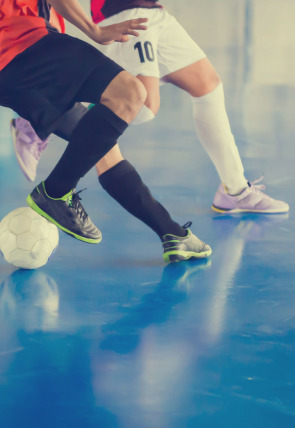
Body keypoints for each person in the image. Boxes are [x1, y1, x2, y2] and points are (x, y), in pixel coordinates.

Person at [0, 0, 211, 263]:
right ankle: (53, 192)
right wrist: (94, 30)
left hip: (13, 73)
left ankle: (172, 233)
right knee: (129, 93)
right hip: (21, 43)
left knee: (100, 146)